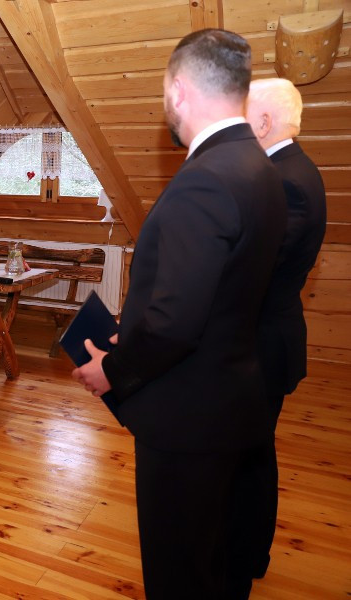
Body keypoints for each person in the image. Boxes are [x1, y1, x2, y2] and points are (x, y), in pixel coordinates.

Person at [71, 29, 287, 599]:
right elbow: (215, 293)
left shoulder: (204, 181)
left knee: (180, 574)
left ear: (178, 90)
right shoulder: (259, 168)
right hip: (228, 397)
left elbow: (174, 324)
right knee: (214, 563)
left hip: (188, 417)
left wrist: (111, 370)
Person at [227, 77, 327, 592]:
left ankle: (242, 559)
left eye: (244, 117)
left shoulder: (287, 180)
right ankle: (249, 552)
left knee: (248, 458)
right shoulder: (290, 170)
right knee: (253, 453)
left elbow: (251, 271)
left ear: (263, 123)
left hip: (261, 346)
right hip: (263, 339)